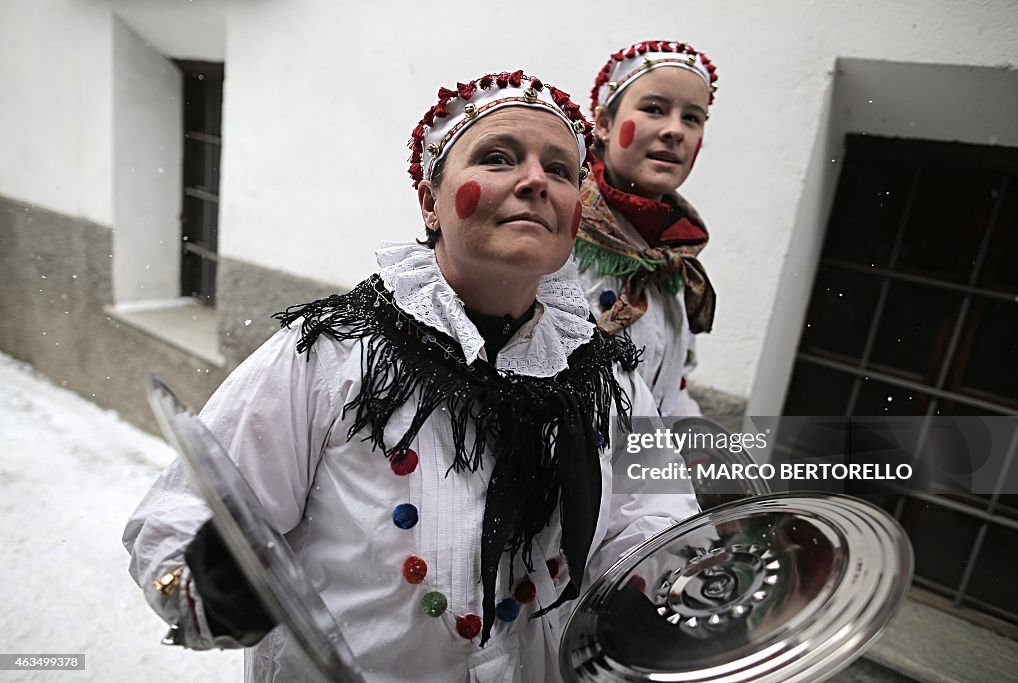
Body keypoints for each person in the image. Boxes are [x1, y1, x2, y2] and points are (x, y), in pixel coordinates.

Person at [123, 69, 699, 683]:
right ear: (430, 200)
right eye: (499, 158)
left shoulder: (602, 379)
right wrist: (208, 585)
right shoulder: (334, 354)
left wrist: (649, 588)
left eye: (559, 170)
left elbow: (648, 516)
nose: (534, 181)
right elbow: (183, 514)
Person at [574, 40, 719, 417]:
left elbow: (671, 393)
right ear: (604, 123)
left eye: (692, 118)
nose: (675, 131)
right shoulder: (556, 229)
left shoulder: (675, 257)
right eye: (654, 109)